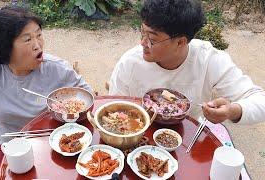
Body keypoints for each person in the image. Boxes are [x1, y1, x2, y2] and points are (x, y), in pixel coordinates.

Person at [0, 6, 92, 179]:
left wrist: (68, 112)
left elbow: (88, 99)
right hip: (13, 147)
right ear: (6, 45)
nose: (38, 45)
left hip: (55, 145)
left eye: (39, 35)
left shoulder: (57, 69)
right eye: (27, 39)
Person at [109, 0, 265, 124]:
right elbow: (112, 110)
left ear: (180, 42)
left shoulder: (208, 60)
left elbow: (260, 100)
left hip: (188, 140)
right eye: (142, 32)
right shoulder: (130, 63)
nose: (142, 43)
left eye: (152, 39)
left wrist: (233, 110)